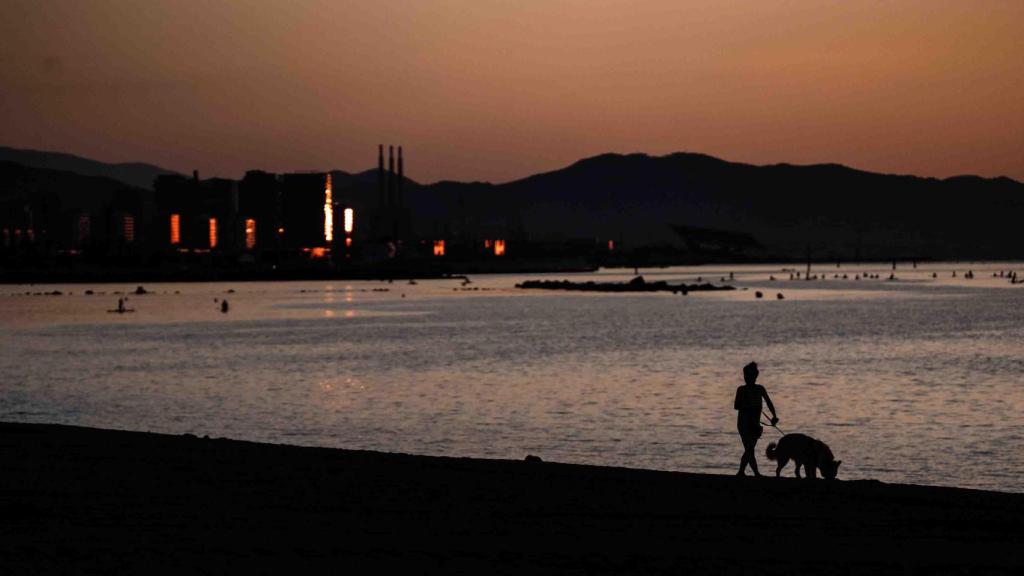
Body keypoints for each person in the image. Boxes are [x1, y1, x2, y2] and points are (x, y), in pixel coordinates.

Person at [734, 362, 778, 477]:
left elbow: (769, 402)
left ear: (755, 376)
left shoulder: (760, 389)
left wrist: (774, 416)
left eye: (749, 375)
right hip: (743, 423)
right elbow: (736, 406)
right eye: (745, 375)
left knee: (750, 449)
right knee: (749, 449)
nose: (746, 378)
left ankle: (741, 472)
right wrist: (747, 406)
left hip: (755, 425)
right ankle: (756, 473)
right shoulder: (741, 390)